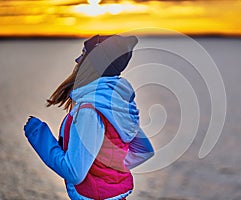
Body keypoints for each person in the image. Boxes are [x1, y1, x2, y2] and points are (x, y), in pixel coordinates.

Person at [24, 34, 154, 200]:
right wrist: (105, 168)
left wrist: (38, 135)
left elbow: (74, 173)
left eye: (83, 53)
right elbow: (144, 150)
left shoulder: (89, 110)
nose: (77, 60)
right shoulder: (118, 103)